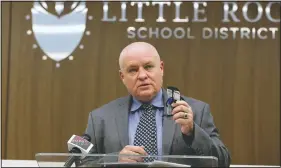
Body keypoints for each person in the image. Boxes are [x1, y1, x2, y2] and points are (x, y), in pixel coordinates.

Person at [84, 42, 231, 167]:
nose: (142, 76)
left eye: (148, 67)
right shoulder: (100, 118)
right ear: (122, 77)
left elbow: (223, 161)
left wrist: (192, 132)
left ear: (161, 68)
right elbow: (83, 162)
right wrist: (115, 160)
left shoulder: (196, 111)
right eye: (133, 70)